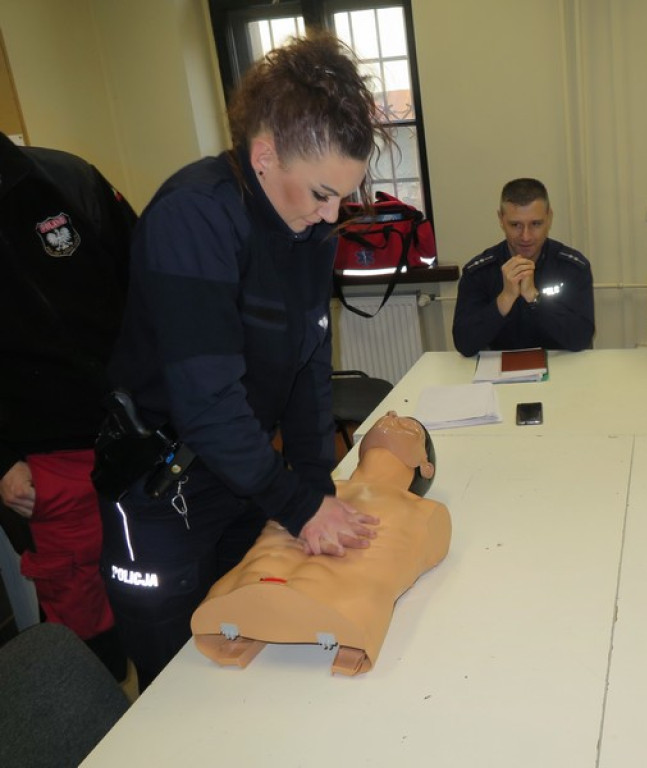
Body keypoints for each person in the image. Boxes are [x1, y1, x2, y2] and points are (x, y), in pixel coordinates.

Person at [94, 32, 384, 691]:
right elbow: (207, 404)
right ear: (263, 155)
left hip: (242, 474)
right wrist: (299, 504)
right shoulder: (193, 218)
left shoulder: (308, 225)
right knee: (180, 684)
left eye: (344, 196)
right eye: (320, 193)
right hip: (160, 494)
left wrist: (316, 488)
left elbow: (311, 362)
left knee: (255, 649)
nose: (331, 214)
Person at [0, 131, 135, 679]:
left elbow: (151, 291)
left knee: (169, 602)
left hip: (138, 437)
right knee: (88, 636)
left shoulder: (67, 179)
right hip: (47, 467)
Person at [191, 411, 450, 676]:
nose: (392, 416)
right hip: (231, 597)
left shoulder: (425, 511)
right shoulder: (302, 489)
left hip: (340, 612)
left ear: (425, 466)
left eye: (408, 426)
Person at [452, 178, 594, 356]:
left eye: (535, 224)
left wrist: (535, 299)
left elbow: (581, 337)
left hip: (561, 370)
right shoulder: (479, 272)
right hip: (498, 374)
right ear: (501, 219)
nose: (525, 236)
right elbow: (464, 344)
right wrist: (505, 299)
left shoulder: (572, 267)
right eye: (515, 225)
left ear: (549, 218)